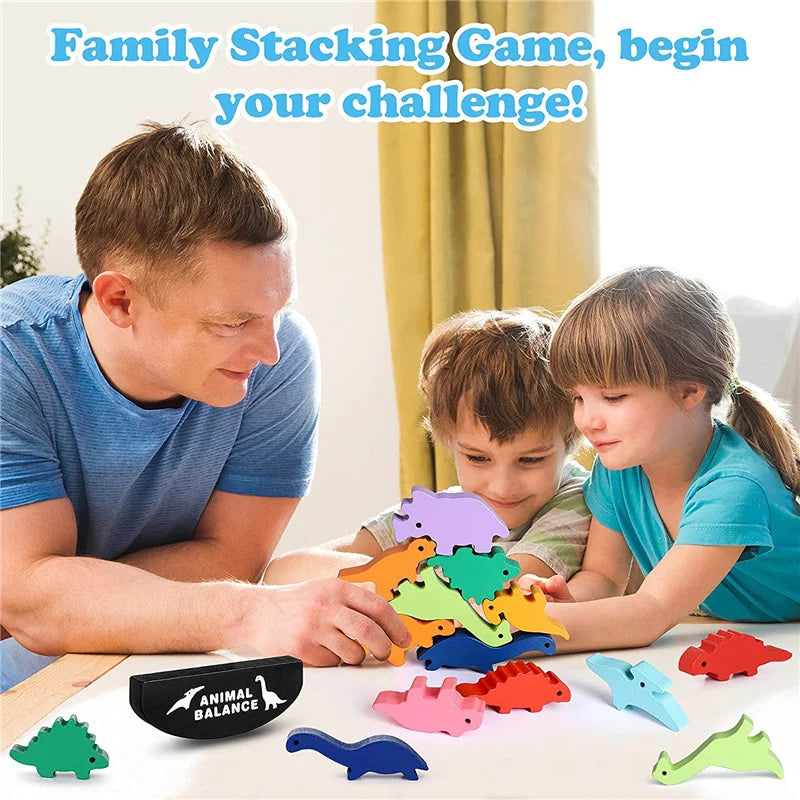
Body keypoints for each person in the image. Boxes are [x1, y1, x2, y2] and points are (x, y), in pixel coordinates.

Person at [0, 122, 409, 691]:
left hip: (155, 667)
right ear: (121, 300)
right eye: (232, 322)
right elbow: (29, 606)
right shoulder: (13, 357)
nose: (268, 350)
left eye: (277, 310)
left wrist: (69, 593)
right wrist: (247, 611)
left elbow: (234, 561)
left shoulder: (282, 354)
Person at [525, 266, 800, 653]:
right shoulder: (618, 470)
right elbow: (603, 577)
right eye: (578, 398)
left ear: (689, 392)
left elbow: (650, 612)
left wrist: (518, 628)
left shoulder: (735, 487)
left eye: (613, 397)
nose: (587, 420)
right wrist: (562, 603)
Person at [264, 308, 592, 584]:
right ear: (449, 441)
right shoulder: (443, 511)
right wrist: (394, 572)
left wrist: (389, 573)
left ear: (574, 435)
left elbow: (500, 586)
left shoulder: (577, 501)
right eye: (478, 458)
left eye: (531, 460)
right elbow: (282, 573)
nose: (502, 486)